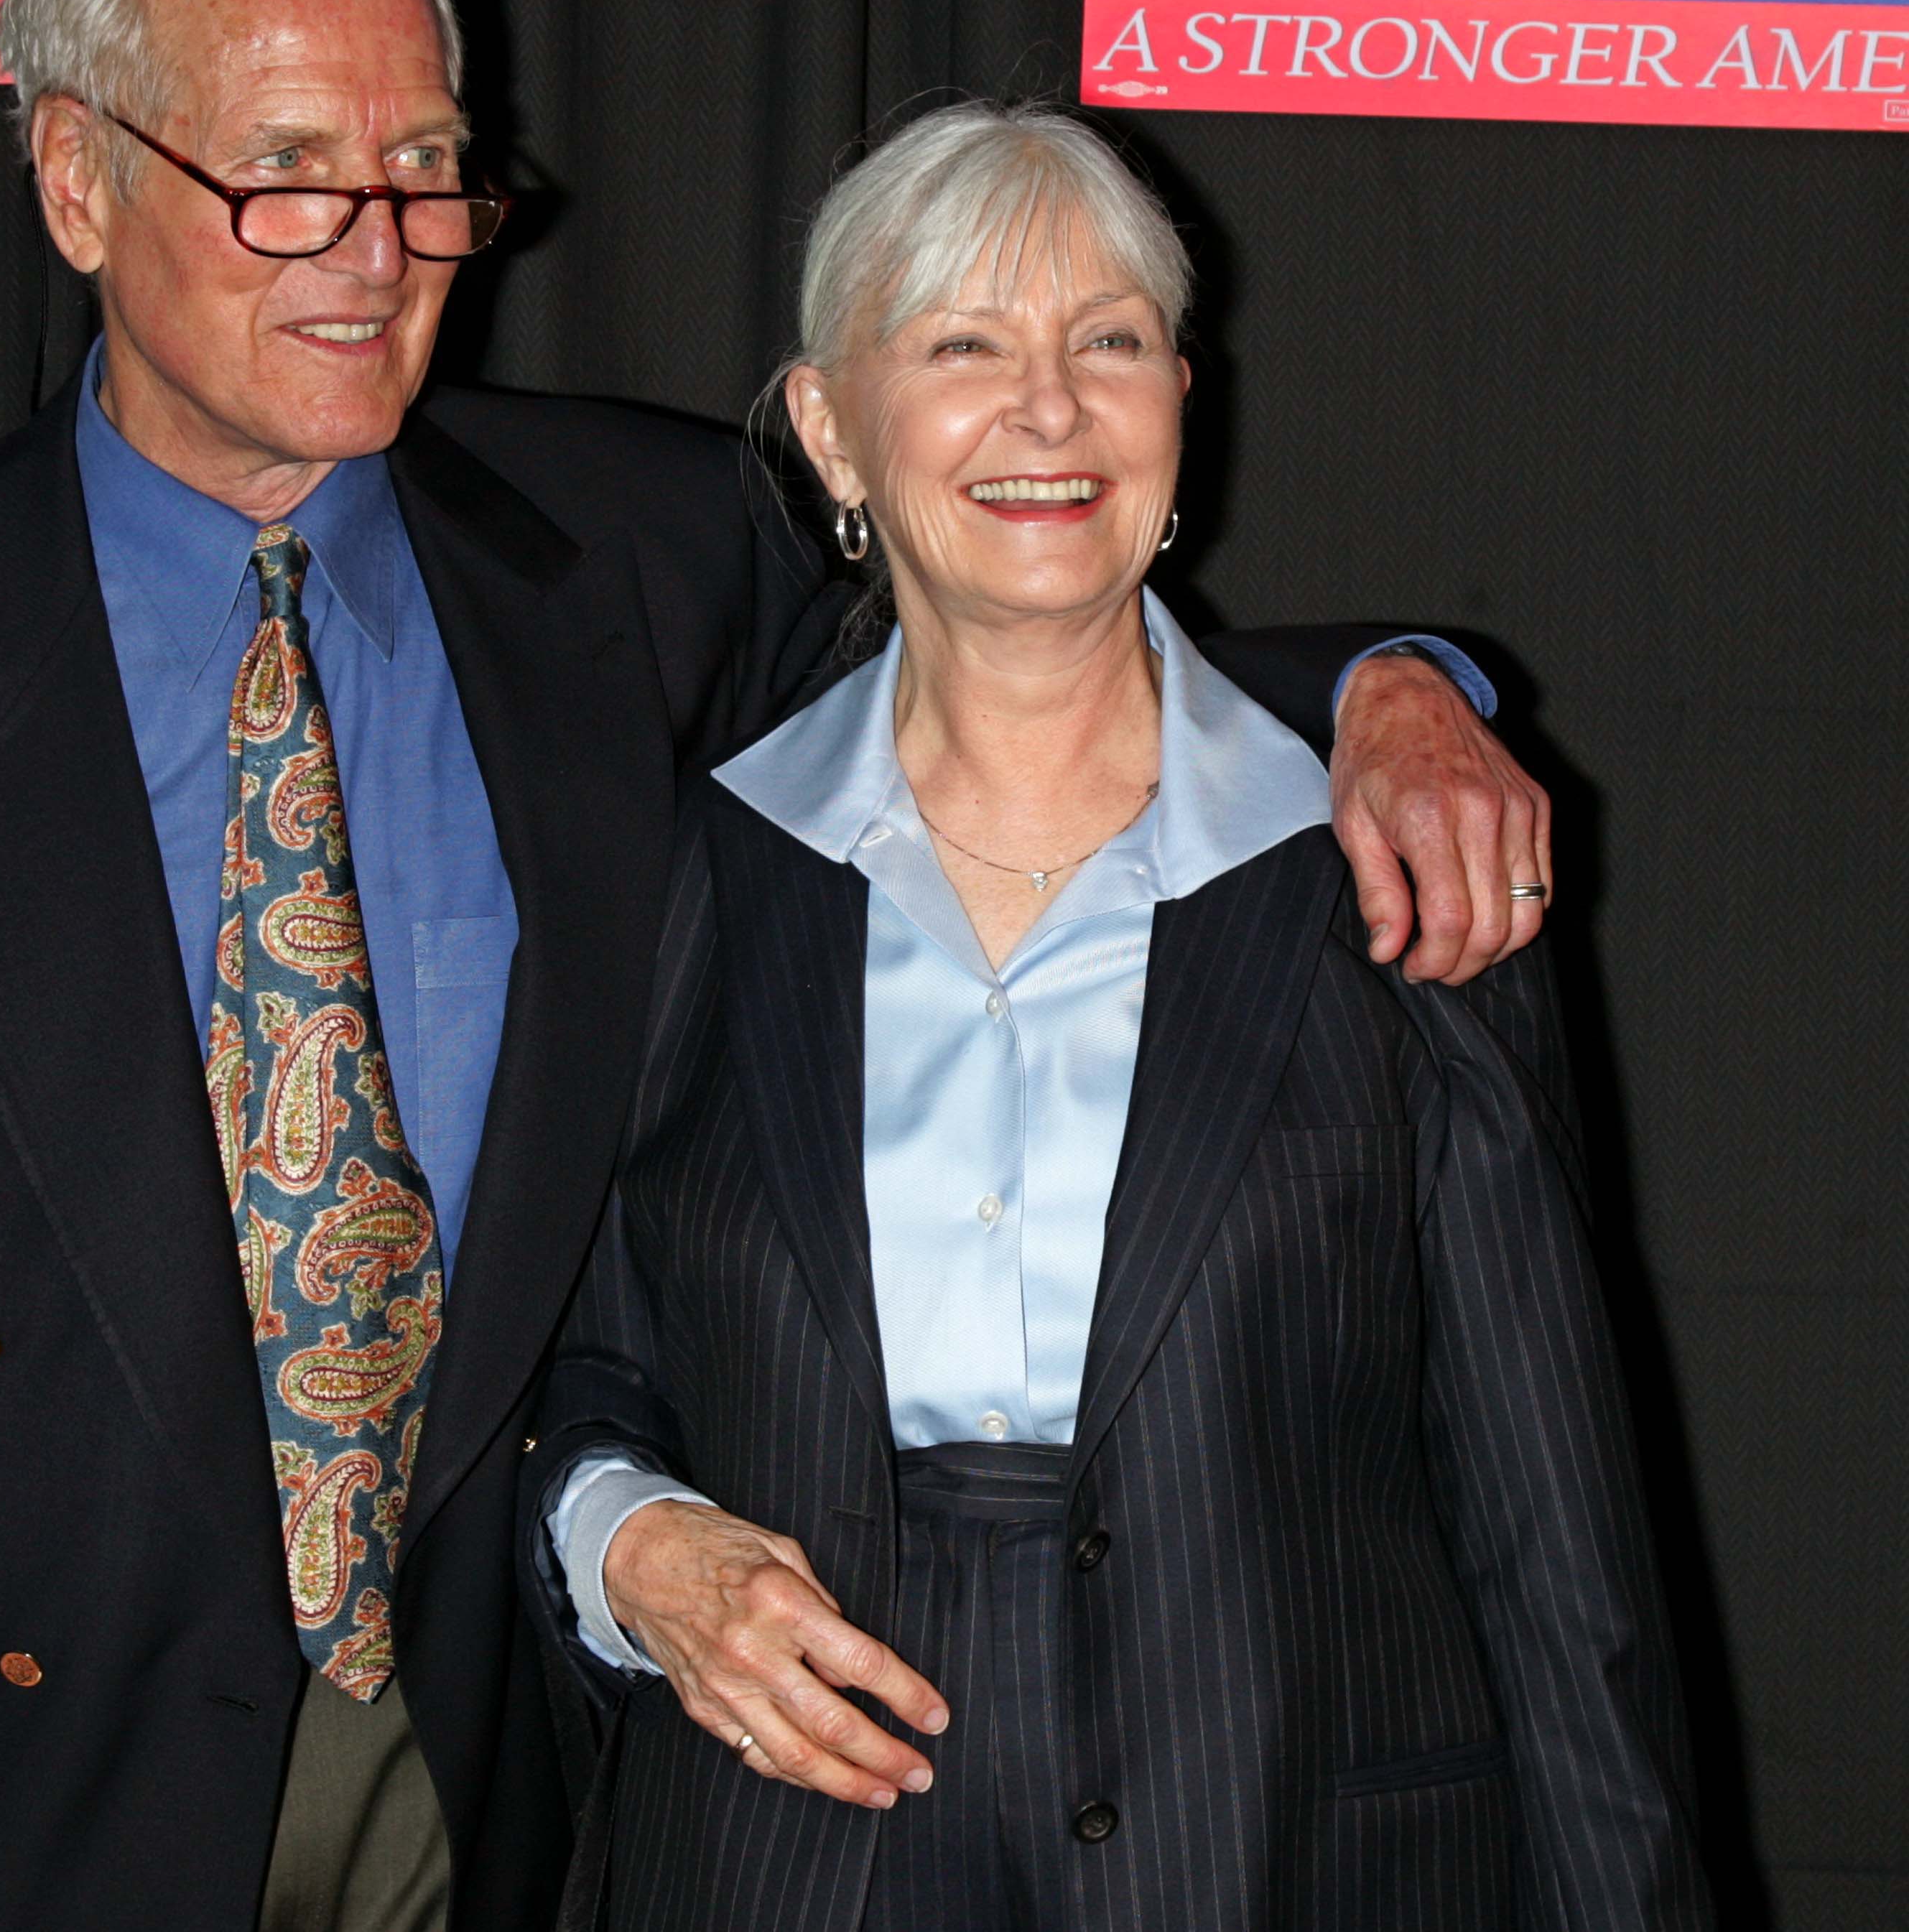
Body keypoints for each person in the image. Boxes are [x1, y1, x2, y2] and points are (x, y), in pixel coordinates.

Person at [0, 0, 1553, 1932]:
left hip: (488, 1784)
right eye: (289, 174)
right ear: (74, 181)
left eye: (425, 168)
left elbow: (1021, 604)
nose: (380, 251)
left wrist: (1392, 692)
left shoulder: (633, 556)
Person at [523, 101, 1711, 1932]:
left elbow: (1551, 1520)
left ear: (1179, 406)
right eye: (961, 347)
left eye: (1107, 340)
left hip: (1286, 1857)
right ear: (831, 429)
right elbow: (582, 1374)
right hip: (776, 1870)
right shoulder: (690, 873)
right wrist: (631, 1548)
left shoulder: (1395, 869)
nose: (1048, 409)